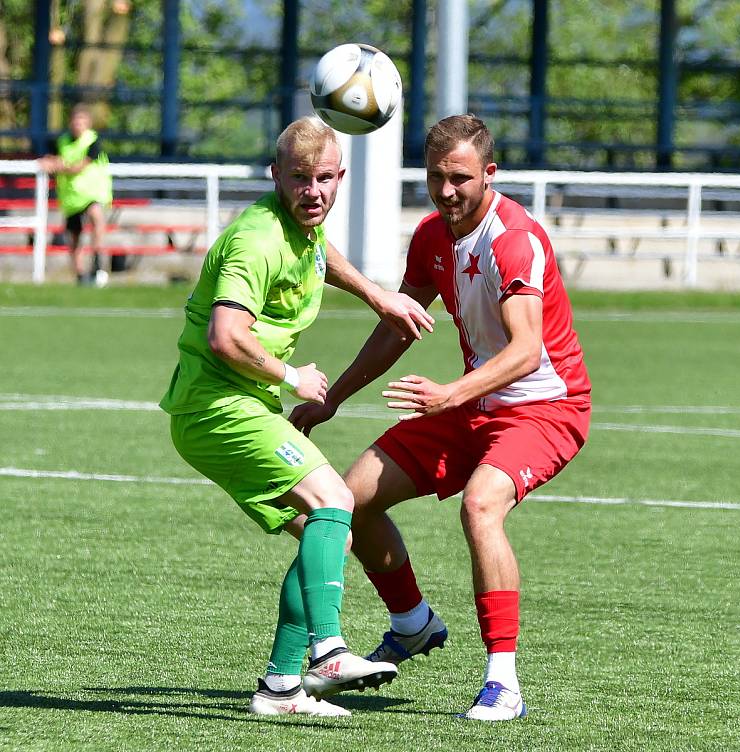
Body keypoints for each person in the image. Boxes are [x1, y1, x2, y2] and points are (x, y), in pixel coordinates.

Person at [290, 114, 592, 721]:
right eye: (434, 177)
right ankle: (412, 622)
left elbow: (527, 349)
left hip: (545, 408)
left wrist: (452, 394)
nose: (446, 190)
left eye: (459, 178)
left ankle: (503, 682)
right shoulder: (431, 234)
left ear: (489, 174)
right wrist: (335, 397)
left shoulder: (514, 239)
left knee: (480, 505)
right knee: (347, 500)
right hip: (473, 403)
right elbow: (397, 328)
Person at [159, 116, 435, 717]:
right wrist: (293, 378)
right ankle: (329, 653)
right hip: (217, 407)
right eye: (301, 179)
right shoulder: (255, 240)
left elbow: (318, 257)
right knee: (336, 501)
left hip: (235, 405)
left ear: (341, 177)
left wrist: (377, 294)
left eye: (326, 178)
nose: (315, 192)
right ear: (276, 177)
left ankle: (281, 688)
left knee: (322, 531)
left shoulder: (299, 227)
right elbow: (225, 337)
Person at [38, 104, 112, 286]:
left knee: (96, 217)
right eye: (76, 121)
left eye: (82, 121)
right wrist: (52, 162)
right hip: (71, 197)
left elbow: (81, 165)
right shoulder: (61, 141)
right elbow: (48, 160)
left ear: (88, 123)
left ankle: (97, 258)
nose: (78, 125)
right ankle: (80, 275)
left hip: (92, 192)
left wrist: (60, 165)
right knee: (74, 236)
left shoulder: (93, 141)